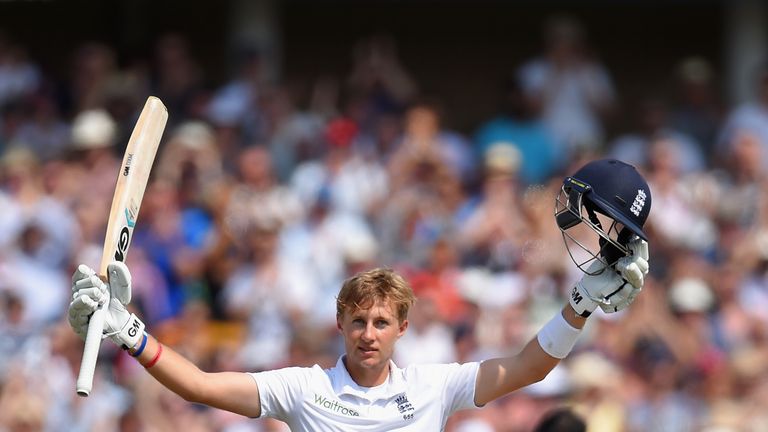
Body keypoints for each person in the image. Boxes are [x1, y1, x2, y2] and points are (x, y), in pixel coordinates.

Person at [68, 158, 651, 431]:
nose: (368, 334)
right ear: (340, 325)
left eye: (380, 323)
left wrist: (579, 306)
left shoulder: (432, 387)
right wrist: (129, 330)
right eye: (358, 322)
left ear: (402, 329)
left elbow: (528, 368)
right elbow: (199, 385)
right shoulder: (304, 389)